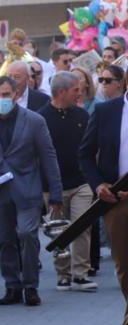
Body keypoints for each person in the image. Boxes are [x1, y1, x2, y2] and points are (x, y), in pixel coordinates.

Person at [0, 76, 62, 307]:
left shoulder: (34, 120)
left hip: (27, 189)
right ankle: (12, 286)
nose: (2, 99)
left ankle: (30, 285)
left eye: (6, 95)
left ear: (16, 94)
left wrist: (56, 193)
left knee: (27, 234)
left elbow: (48, 156)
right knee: (4, 240)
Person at [79, 71, 128, 325]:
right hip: (117, 200)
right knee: (124, 264)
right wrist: (98, 185)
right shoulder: (106, 111)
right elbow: (85, 154)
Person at [39, 72, 95, 292]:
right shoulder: (41, 118)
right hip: (53, 186)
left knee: (83, 227)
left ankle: (81, 273)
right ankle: (63, 274)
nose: (79, 94)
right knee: (59, 230)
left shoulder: (82, 115)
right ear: (61, 92)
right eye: (76, 90)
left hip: (81, 182)